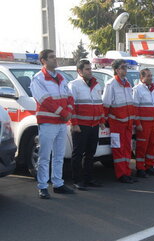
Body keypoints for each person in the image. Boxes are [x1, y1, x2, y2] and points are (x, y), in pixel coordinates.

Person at [30, 49, 75, 199]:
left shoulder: (61, 77)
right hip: (48, 123)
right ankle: (42, 186)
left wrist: (68, 111)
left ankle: (58, 183)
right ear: (43, 60)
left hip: (61, 123)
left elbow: (69, 96)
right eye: (51, 57)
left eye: (55, 57)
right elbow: (45, 101)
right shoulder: (38, 79)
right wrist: (64, 113)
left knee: (59, 155)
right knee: (44, 156)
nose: (55, 60)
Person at [68, 60, 106, 190]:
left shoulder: (96, 85)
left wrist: (101, 121)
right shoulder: (74, 85)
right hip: (81, 125)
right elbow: (71, 107)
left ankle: (89, 178)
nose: (90, 71)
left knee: (90, 153)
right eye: (87, 69)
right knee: (78, 154)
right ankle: (77, 180)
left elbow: (99, 105)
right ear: (79, 71)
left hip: (93, 125)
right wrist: (74, 124)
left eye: (90, 69)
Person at [102, 59, 137, 183]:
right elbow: (106, 104)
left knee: (127, 148)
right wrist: (105, 121)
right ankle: (121, 174)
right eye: (123, 67)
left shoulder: (127, 83)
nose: (125, 69)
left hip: (127, 122)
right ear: (117, 70)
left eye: (126, 67)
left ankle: (127, 172)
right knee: (118, 149)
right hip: (117, 123)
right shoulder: (111, 84)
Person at [133, 69, 154, 177]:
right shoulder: (137, 90)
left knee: (152, 145)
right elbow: (135, 109)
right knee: (141, 147)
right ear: (142, 78)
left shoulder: (152, 90)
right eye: (148, 76)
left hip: (153, 124)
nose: (151, 77)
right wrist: (138, 124)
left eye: (151, 75)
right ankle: (140, 169)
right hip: (143, 125)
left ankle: (149, 166)